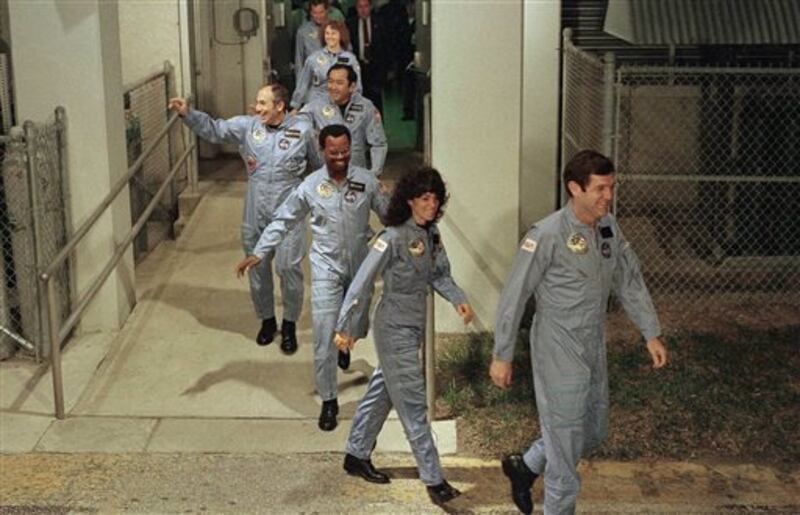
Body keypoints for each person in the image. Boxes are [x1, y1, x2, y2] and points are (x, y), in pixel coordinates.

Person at [489, 150, 669, 514]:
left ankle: (525, 466)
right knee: (566, 457)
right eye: (600, 188)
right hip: (557, 346)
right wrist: (502, 354)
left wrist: (650, 332)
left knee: (593, 430)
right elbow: (515, 295)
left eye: (611, 187)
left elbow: (628, 280)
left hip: (591, 344)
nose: (608, 196)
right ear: (575, 188)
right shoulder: (547, 234)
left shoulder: (607, 227)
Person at [333, 167, 475, 505]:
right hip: (393, 324)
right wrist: (347, 327)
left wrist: (459, 301)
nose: (431, 204)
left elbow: (440, 274)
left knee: (385, 388)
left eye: (436, 198)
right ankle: (434, 478)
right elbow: (361, 283)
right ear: (410, 200)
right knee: (412, 403)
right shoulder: (392, 237)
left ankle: (356, 453)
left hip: (413, 327)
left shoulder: (432, 234)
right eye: (425, 198)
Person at [235, 124, 388, 432]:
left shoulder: (366, 182)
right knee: (323, 337)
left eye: (345, 151)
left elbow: (390, 216)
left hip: (360, 269)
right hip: (326, 269)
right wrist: (260, 251)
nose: (341, 157)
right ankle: (329, 400)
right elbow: (284, 220)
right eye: (334, 153)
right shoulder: (309, 186)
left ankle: (346, 344)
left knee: (357, 325)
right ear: (322, 151)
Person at [168, 84, 319, 354]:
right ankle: (267, 320)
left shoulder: (303, 131)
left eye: (263, 103)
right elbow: (215, 129)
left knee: (288, 269)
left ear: (280, 106)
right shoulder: (248, 127)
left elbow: (320, 167)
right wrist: (188, 114)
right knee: (257, 269)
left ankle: (289, 324)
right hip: (255, 208)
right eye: (257, 102)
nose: (257, 108)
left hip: (289, 211)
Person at [301, 64, 387, 175]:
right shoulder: (315, 106)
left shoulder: (366, 107)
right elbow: (298, 126)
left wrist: (375, 173)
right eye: (330, 81)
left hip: (356, 174)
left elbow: (378, 143)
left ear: (352, 86)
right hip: (325, 177)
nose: (333, 87)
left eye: (339, 83)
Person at [291, 20, 362, 110]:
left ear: (341, 35)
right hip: (317, 106)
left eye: (333, 33)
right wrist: (295, 106)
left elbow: (357, 86)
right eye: (327, 33)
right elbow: (303, 84)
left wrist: (355, 104)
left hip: (342, 106)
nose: (330, 37)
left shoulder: (350, 59)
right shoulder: (313, 58)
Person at [346, 0, 387, 113]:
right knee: (357, 101)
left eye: (366, 6)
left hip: (376, 69)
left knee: (376, 102)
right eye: (360, 7)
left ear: (371, 7)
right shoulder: (350, 24)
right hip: (357, 68)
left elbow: (386, 47)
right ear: (356, 8)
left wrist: (388, 69)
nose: (363, 10)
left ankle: (377, 128)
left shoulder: (380, 23)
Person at [293, 0, 344, 84]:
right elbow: (299, 61)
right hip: (312, 82)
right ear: (310, 13)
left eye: (321, 12)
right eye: (314, 13)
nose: (318, 16)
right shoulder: (303, 31)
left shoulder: (337, 28)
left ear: (327, 11)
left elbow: (347, 54)